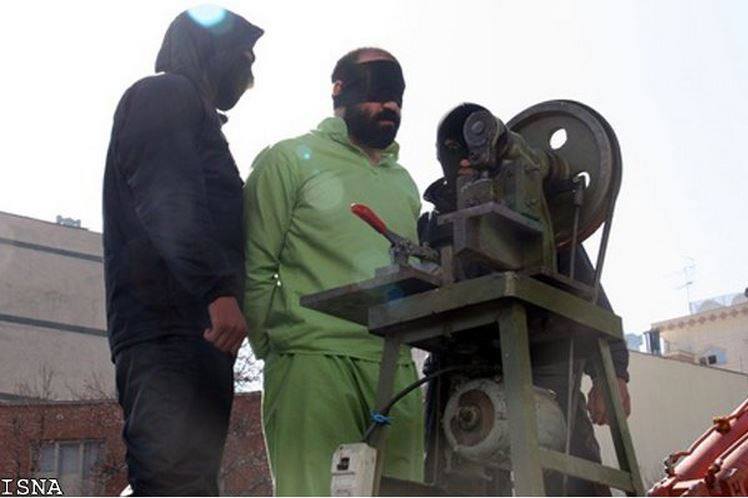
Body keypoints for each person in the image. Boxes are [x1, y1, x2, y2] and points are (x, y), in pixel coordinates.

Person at [243, 47, 423, 495]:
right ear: (340, 91)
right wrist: (280, 345)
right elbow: (254, 267)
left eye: (398, 95)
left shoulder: (404, 184)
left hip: (395, 368)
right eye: (378, 90)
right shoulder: (288, 160)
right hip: (313, 361)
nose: (390, 105)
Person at [102, 7, 262, 495]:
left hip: (196, 333)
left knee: (190, 482)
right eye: (244, 56)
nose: (250, 73)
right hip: (168, 329)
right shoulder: (165, 94)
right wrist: (217, 290)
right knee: (171, 480)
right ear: (213, 52)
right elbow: (167, 199)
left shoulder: (190, 109)